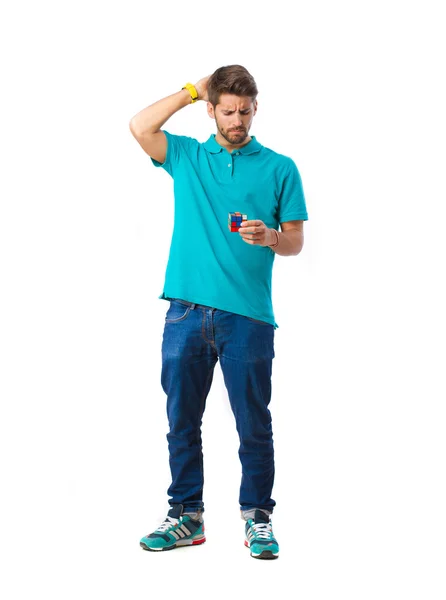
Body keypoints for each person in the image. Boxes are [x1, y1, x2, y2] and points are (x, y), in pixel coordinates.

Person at [129, 65, 308, 559]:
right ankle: (186, 515)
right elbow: (140, 126)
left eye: (245, 112)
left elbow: (294, 240)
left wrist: (271, 237)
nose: (237, 121)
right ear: (211, 110)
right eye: (227, 111)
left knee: (253, 423)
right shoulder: (187, 155)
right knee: (181, 418)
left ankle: (258, 518)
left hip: (248, 316)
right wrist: (191, 89)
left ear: (256, 108)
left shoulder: (279, 167)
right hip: (185, 311)